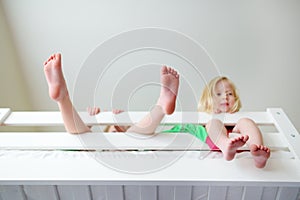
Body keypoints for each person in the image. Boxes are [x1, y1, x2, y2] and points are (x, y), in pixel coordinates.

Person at [43, 53, 179, 135]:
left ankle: (63, 99)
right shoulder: (99, 146)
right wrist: (90, 122)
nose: (117, 128)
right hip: (95, 154)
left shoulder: (130, 139)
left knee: (132, 137)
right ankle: (62, 97)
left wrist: (124, 132)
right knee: (85, 139)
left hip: (128, 151)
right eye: (113, 129)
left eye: (121, 127)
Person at [164, 76, 270, 168]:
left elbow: (243, 126)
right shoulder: (206, 118)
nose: (225, 97)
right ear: (208, 100)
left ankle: (257, 151)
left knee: (246, 121)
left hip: (238, 138)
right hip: (217, 140)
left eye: (229, 93)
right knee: (214, 122)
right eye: (219, 94)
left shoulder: (238, 119)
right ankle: (225, 146)